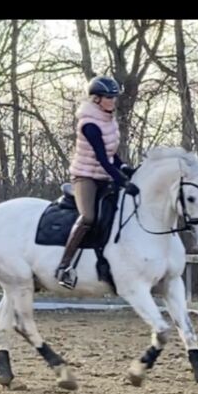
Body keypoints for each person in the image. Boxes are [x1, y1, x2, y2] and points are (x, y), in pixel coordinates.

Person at [55, 75, 140, 289]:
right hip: (85, 177)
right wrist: (121, 180)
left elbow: (111, 154)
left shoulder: (108, 119)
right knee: (89, 217)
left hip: (104, 174)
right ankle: (64, 266)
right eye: (108, 97)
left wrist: (124, 167)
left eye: (114, 97)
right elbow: (102, 159)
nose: (113, 101)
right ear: (96, 99)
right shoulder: (89, 124)